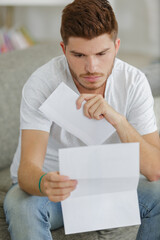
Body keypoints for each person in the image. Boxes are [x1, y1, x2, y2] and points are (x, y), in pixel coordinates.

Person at [4, 0, 160, 239]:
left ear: (116, 46)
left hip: (110, 184)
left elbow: (155, 170)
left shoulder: (133, 82)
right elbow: (27, 170)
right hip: (55, 192)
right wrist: (44, 182)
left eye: (101, 53)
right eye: (78, 55)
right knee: (20, 204)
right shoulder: (42, 83)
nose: (91, 67)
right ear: (63, 49)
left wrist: (119, 121)